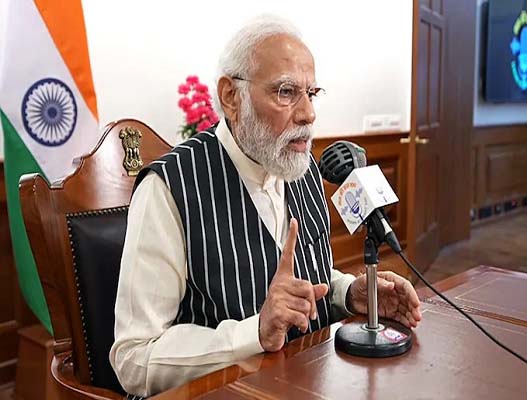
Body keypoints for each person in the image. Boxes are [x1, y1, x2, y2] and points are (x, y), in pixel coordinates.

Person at [109, 15, 422, 397]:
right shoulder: (169, 187)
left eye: (312, 93)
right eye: (286, 92)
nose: (308, 114)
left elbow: (307, 276)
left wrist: (348, 293)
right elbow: (134, 359)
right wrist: (254, 333)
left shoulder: (301, 167)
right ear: (231, 96)